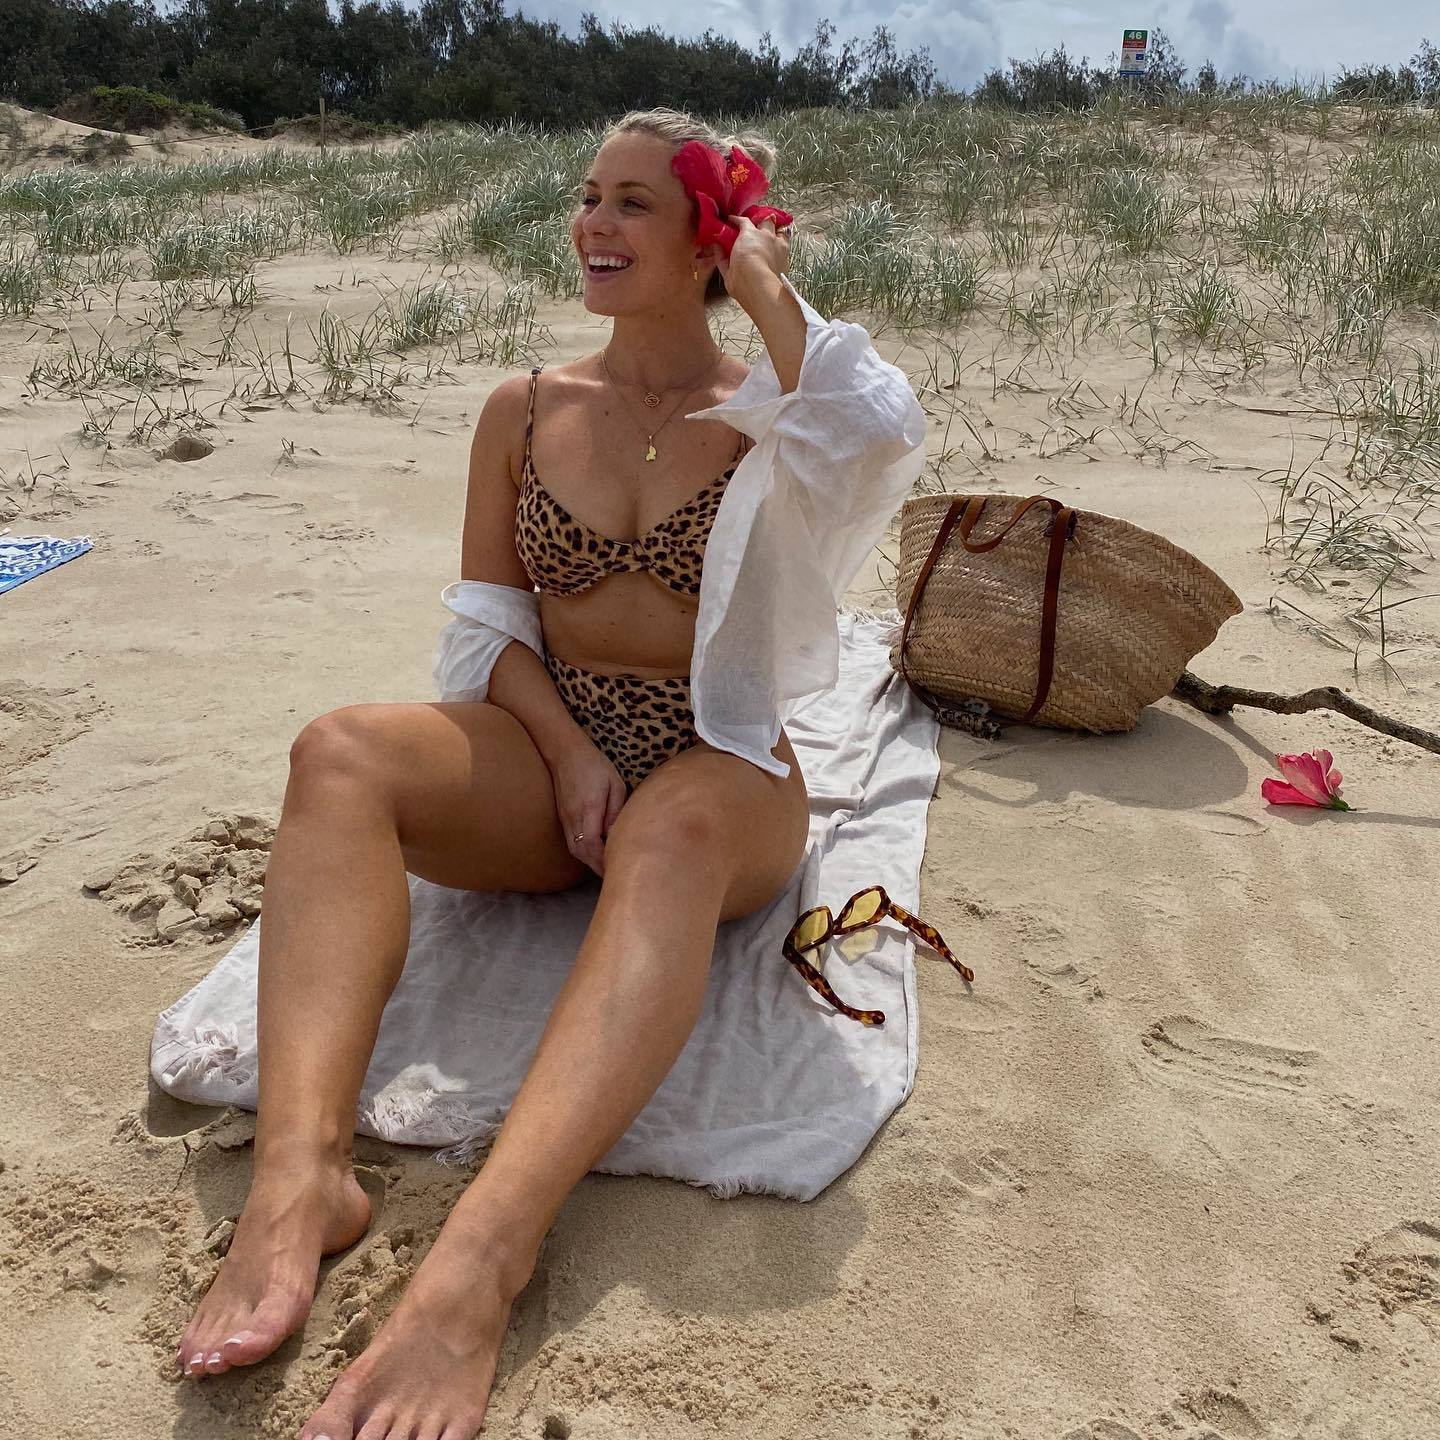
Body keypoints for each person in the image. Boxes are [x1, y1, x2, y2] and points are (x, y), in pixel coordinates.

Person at [171, 107, 925, 1440]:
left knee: (671, 833)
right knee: (339, 751)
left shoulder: (773, 418)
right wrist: (569, 754)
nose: (593, 223)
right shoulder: (523, 407)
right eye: (588, 196)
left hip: (721, 763)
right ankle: (299, 1184)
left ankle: (481, 1261)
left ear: (706, 237)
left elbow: (877, 430)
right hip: (549, 744)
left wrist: (763, 281)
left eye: (634, 202)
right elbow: (491, 622)